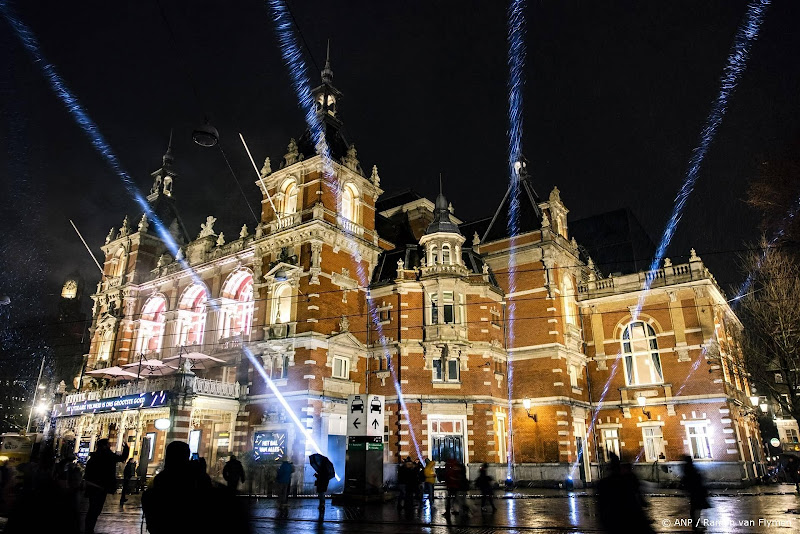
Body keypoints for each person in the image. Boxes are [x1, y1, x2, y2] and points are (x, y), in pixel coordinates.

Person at [596, 453, 654, 533]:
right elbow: (636, 495)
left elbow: (601, 506)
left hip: (614, 521)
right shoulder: (627, 480)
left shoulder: (603, 483)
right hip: (630, 518)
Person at [83, 439, 129, 534]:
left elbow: (88, 472)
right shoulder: (107, 455)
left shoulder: (94, 457)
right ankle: (89, 528)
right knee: (96, 509)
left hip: (93, 485)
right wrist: (126, 448)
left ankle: (88, 527)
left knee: (93, 508)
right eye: (108, 444)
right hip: (101, 486)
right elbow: (122, 458)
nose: (110, 446)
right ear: (104, 446)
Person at [681, 455, 710, 532]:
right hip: (696, 490)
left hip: (693, 490)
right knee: (696, 508)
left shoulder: (686, 468)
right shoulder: (690, 468)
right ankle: (696, 523)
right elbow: (694, 478)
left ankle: (696, 523)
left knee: (695, 507)